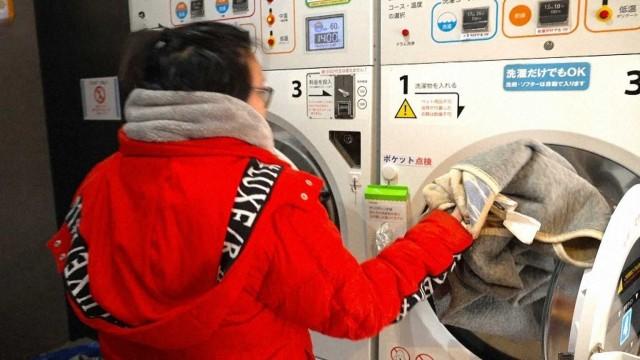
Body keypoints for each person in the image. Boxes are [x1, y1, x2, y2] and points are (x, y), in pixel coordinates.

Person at [47, 22, 472, 359]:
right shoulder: (268, 196)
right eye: (261, 91)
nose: (266, 107)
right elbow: (357, 309)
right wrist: (448, 226)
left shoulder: (98, 182)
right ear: (227, 102)